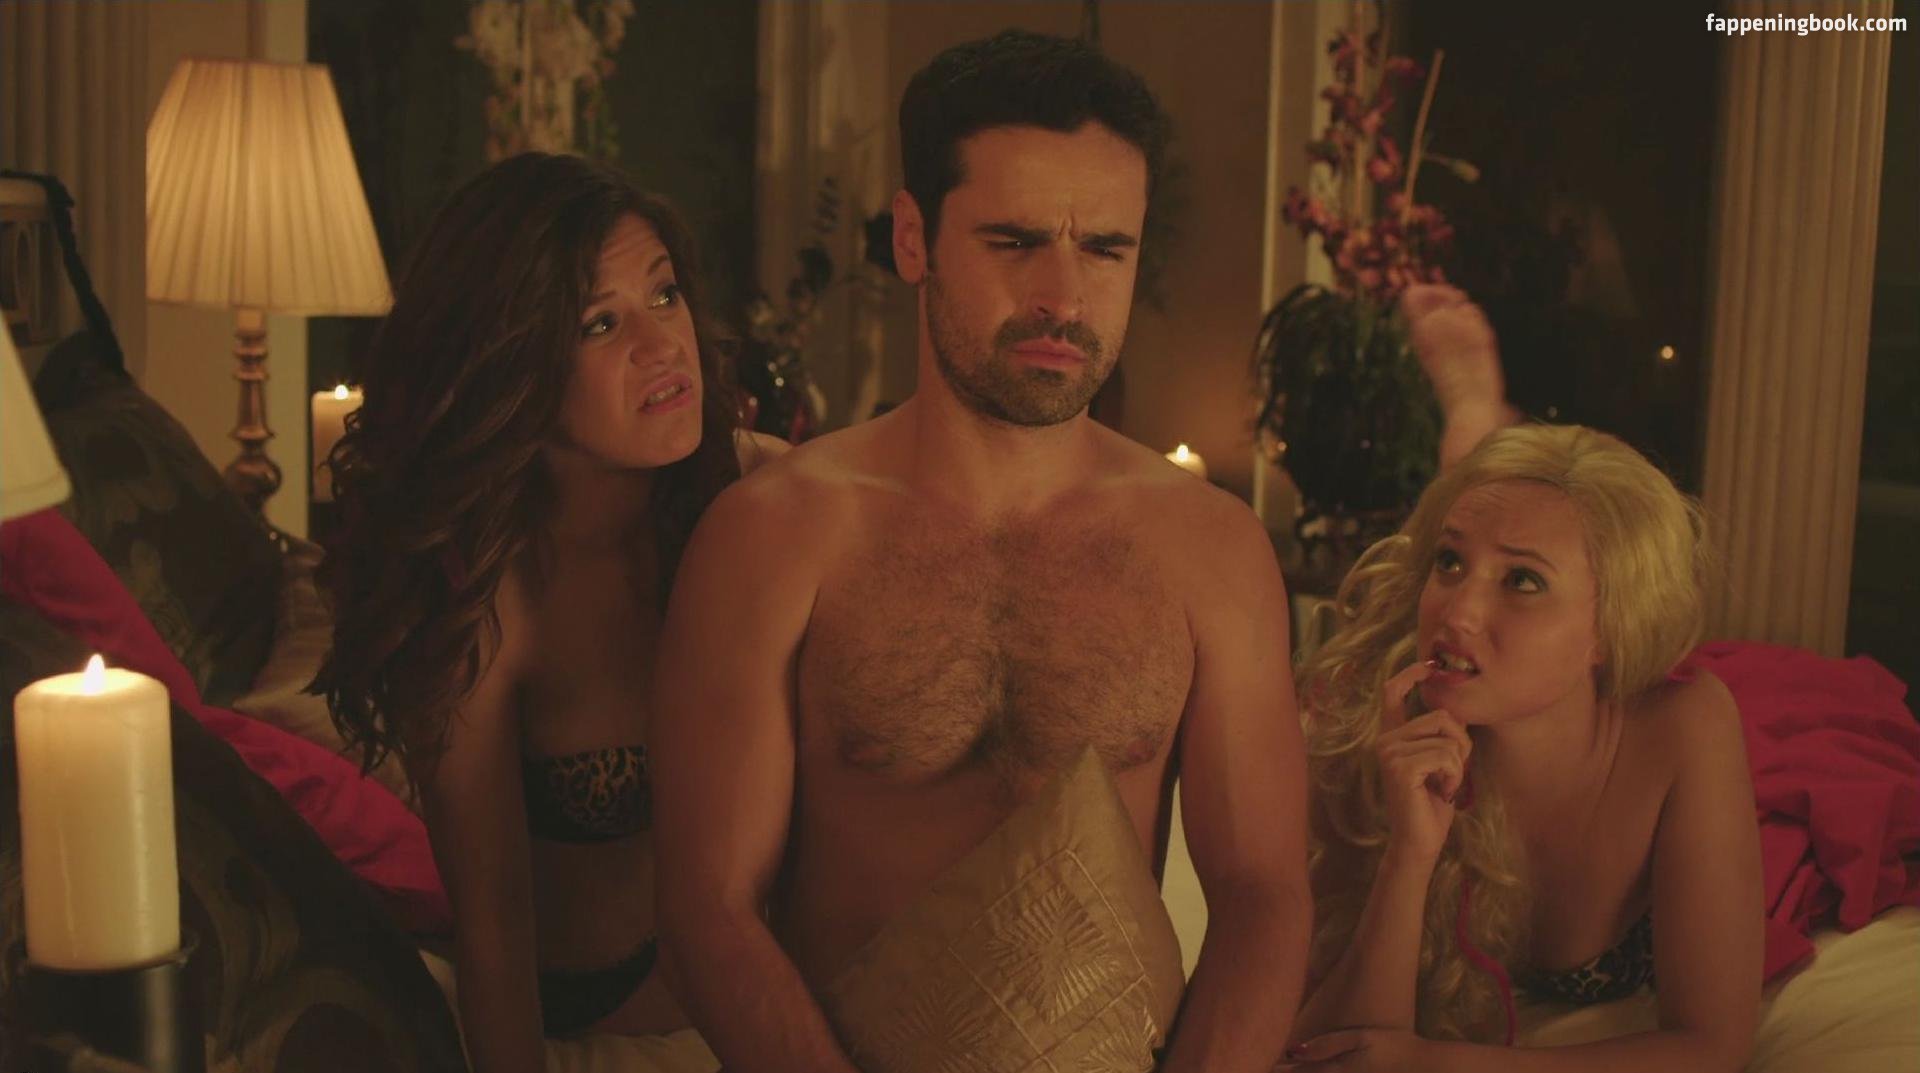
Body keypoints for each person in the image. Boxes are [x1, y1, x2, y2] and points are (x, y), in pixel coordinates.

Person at [648, 29, 1317, 1073]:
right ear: (914, 239)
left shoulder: (1212, 550)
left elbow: (1263, 896)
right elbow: (708, 907)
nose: (1064, 297)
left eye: (1106, 249)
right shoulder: (776, 533)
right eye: (1013, 241)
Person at [314, 152, 783, 1073]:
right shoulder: (484, 603)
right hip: (607, 1001)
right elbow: (494, 932)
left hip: (768, 962)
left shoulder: (752, 489)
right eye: (600, 323)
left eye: (665, 294)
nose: (662, 344)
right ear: (511, 364)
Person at [1286, 422, 1763, 1072]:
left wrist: (1436, 1063)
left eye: (1523, 581)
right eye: (1450, 562)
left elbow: (1713, 1045)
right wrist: (1409, 856)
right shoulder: (1366, 721)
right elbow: (1330, 1046)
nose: (1457, 612)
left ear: (1611, 625)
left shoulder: (1685, 727)